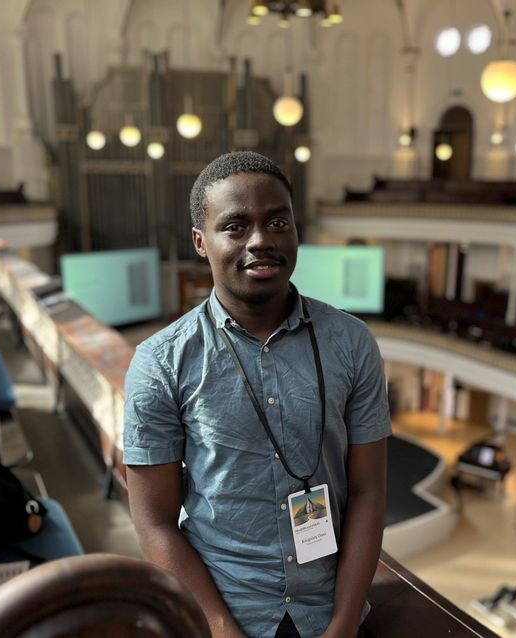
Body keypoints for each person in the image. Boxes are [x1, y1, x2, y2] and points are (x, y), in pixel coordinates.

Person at [123, 151, 390, 638]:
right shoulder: (159, 362)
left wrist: (345, 623)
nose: (261, 240)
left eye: (277, 222)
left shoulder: (352, 344)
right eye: (235, 226)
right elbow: (154, 523)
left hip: (330, 606)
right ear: (201, 242)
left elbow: (370, 490)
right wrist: (221, 627)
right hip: (220, 607)